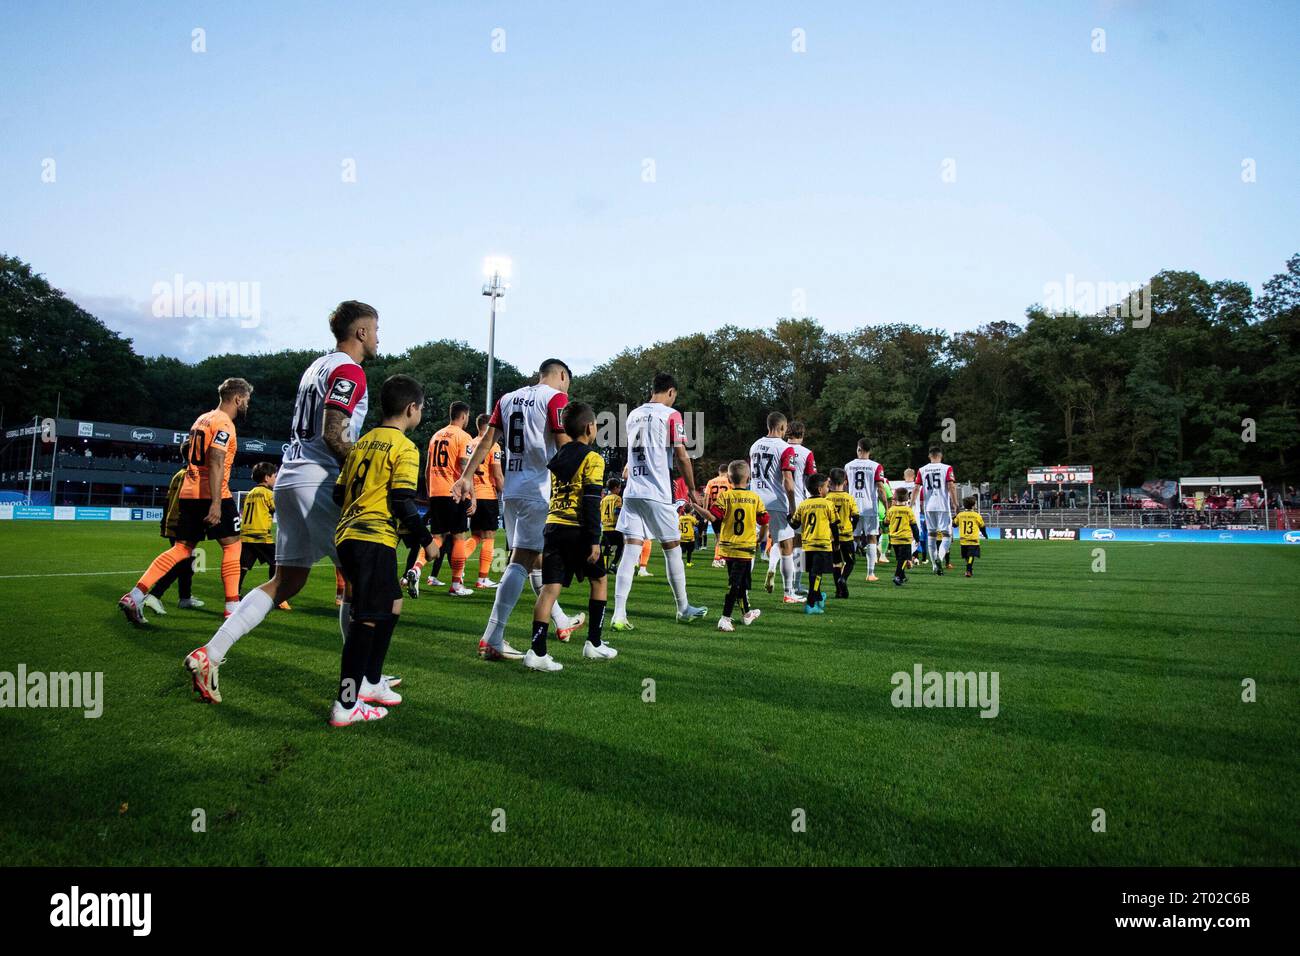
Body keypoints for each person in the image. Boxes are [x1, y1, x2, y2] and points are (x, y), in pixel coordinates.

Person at [184, 301, 381, 703]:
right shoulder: (350, 370)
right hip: (318, 479)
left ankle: (211, 652)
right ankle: (359, 685)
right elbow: (332, 430)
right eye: (376, 329)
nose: (379, 337)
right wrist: (361, 473)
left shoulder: (315, 367)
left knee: (288, 580)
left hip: (290, 476)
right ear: (360, 332)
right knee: (362, 581)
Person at [451, 359, 585, 662]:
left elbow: (487, 441)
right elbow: (564, 444)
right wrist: (581, 481)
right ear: (562, 375)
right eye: (568, 381)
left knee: (534, 558)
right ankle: (492, 637)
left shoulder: (507, 398)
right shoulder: (556, 398)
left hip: (512, 491)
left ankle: (560, 622)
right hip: (540, 489)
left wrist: (466, 476)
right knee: (522, 560)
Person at [330, 375, 436, 726]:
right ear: (411, 409)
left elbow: (337, 492)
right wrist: (426, 540)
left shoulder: (360, 443)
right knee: (367, 619)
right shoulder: (405, 447)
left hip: (349, 534)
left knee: (393, 602)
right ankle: (347, 703)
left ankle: (372, 682)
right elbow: (403, 500)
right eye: (420, 408)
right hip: (372, 539)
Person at [120, 378, 252, 629]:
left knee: (181, 549)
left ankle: (135, 596)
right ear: (238, 399)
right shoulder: (225, 423)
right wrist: (215, 503)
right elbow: (215, 460)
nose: (247, 405)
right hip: (213, 493)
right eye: (246, 400)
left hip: (189, 493)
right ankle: (232, 607)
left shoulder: (201, 419)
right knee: (233, 547)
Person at [608, 372, 707, 630]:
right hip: (657, 491)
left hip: (633, 492)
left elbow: (633, 453)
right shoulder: (670, 415)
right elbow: (682, 457)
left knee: (630, 551)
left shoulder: (633, 415)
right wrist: (694, 489)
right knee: (672, 549)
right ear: (671, 392)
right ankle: (683, 607)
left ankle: (619, 613)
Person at [525, 403, 617, 672]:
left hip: (553, 526)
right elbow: (590, 500)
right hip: (577, 529)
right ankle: (594, 643)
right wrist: (594, 539)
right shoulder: (593, 458)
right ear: (590, 428)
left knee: (549, 589)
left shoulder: (559, 455)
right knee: (599, 579)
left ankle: (537, 651)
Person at [407, 401, 474, 597]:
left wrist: (430, 492)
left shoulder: (436, 435)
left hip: (436, 492)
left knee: (437, 538)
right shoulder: (463, 436)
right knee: (459, 537)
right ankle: (456, 584)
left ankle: (416, 569)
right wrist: (470, 495)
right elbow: (464, 467)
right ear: (464, 416)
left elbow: (427, 468)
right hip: (454, 493)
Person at [703, 459, 766, 632]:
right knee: (736, 584)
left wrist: (697, 505)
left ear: (730, 480)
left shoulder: (726, 496)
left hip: (728, 546)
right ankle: (725, 618)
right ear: (749, 477)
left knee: (742, 583)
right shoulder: (754, 498)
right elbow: (765, 520)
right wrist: (761, 537)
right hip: (745, 547)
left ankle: (746, 614)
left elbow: (713, 517)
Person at [142, 439, 202, 615]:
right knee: (181, 563)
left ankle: (185, 598)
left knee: (187, 562)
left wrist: (164, 524)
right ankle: (154, 595)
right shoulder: (192, 474)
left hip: (174, 523)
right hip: (184, 524)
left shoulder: (178, 474)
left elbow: (167, 502)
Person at [750, 412, 800, 602]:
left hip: (755, 501)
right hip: (776, 502)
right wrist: (793, 505)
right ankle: (789, 593)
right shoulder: (786, 448)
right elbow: (788, 480)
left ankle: (743, 590)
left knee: (750, 545)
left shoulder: (754, 445)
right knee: (786, 545)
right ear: (782, 427)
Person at [237, 462, 289, 608]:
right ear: (267, 477)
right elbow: (280, 509)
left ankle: (235, 594)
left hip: (246, 535)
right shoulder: (268, 494)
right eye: (274, 476)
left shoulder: (251, 493)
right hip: (261, 536)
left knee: (243, 566)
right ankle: (276, 596)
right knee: (277, 563)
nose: (275, 479)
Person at [789, 474, 839, 614]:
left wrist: (788, 517)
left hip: (807, 544)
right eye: (826, 487)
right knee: (816, 574)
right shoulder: (828, 504)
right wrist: (837, 542)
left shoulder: (803, 504)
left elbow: (794, 524)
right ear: (819, 489)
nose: (828, 489)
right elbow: (834, 525)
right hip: (822, 544)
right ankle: (811, 603)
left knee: (814, 573)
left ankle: (818, 596)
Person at [465, 412, 504, 589]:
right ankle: (482, 579)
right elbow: (497, 475)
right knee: (489, 537)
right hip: (487, 495)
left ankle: (458, 556)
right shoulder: (493, 446)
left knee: (476, 536)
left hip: (472, 495)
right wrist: (505, 493)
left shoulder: (470, 444)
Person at [844, 438, 888, 582]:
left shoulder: (848, 466)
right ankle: (870, 573)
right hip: (870, 507)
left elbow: (844, 487)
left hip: (852, 507)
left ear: (858, 449)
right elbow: (881, 488)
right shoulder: (876, 466)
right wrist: (887, 507)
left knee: (853, 538)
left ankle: (846, 567)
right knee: (872, 537)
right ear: (870, 450)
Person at [914, 446, 958, 574]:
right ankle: (940, 557)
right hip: (943, 506)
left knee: (931, 535)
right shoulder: (947, 468)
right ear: (941, 456)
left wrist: (912, 504)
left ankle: (934, 566)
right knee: (946, 535)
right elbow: (951, 486)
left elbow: (917, 488)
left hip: (929, 507)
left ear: (929, 456)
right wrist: (955, 503)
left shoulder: (922, 470)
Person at [784, 421, 817, 593]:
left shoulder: (780, 448)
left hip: (776, 500)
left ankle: (772, 568)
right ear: (802, 434)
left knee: (780, 542)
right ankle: (795, 585)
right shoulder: (806, 453)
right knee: (798, 543)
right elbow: (812, 480)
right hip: (796, 500)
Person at [826, 467, 860, 598]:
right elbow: (856, 516)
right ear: (845, 482)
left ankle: (838, 591)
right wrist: (852, 527)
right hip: (846, 535)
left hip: (832, 537)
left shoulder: (827, 498)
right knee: (850, 562)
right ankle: (843, 579)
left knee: (836, 563)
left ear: (829, 482)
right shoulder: (849, 498)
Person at [886, 487, 921, 586]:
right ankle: (897, 576)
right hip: (905, 539)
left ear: (895, 498)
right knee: (904, 559)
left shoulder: (891, 510)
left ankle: (903, 577)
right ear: (907, 498)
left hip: (894, 539)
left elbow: (885, 522)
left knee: (900, 559)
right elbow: (914, 526)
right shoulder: (908, 510)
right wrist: (917, 538)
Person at [954, 497, 988, 578]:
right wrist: (985, 534)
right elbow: (982, 526)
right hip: (973, 539)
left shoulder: (960, 515)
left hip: (963, 540)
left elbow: (954, 525)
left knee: (967, 556)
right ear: (973, 505)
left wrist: (955, 516)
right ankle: (969, 570)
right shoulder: (977, 515)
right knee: (971, 555)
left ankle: (969, 569)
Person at [599, 476, 625, 573]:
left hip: (605, 527)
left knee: (606, 546)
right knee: (621, 545)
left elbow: (600, 511)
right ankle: (613, 565)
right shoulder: (617, 498)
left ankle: (604, 566)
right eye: (619, 487)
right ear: (615, 488)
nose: (620, 489)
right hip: (614, 527)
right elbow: (617, 511)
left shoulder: (603, 499)